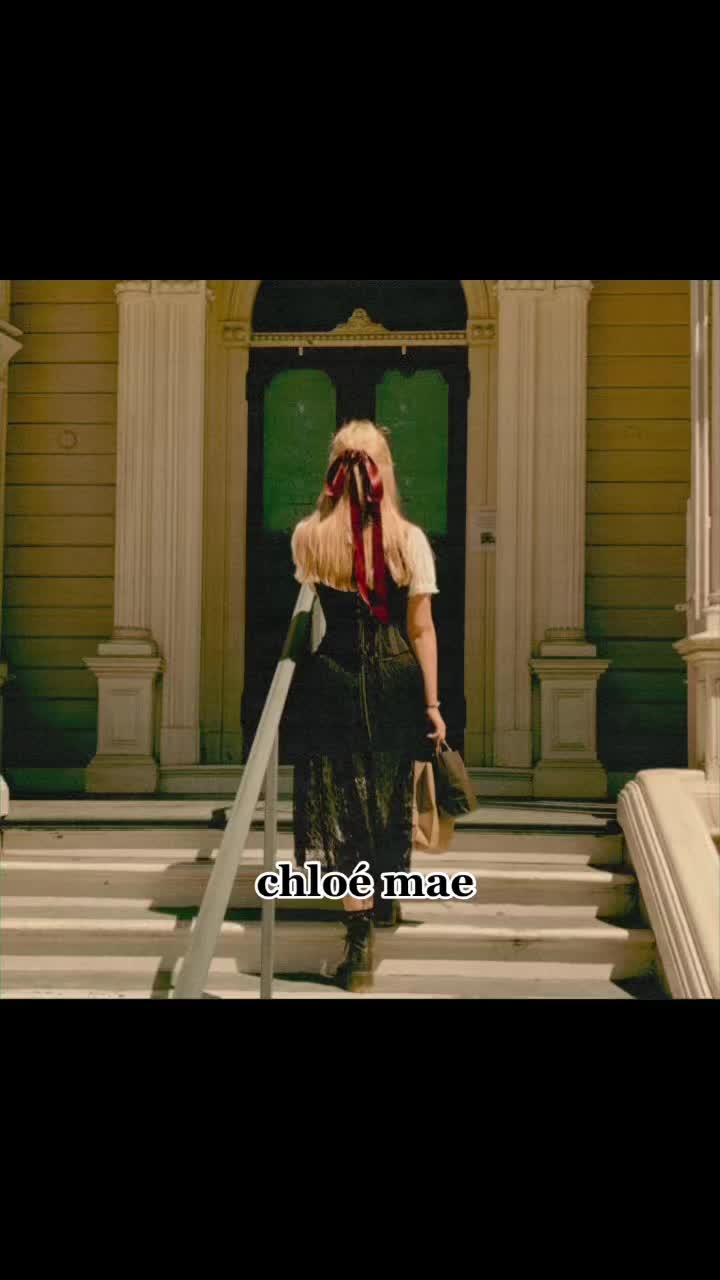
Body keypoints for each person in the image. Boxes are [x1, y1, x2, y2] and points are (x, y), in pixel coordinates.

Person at [287, 419, 447, 993]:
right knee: (388, 788)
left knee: (343, 802)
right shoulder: (410, 540)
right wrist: (432, 703)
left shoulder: (309, 537)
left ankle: (357, 944)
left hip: (333, 676)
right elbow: (421, 628)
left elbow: (313, 607)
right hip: (395, 676)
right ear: (386, 469)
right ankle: (385, 895)